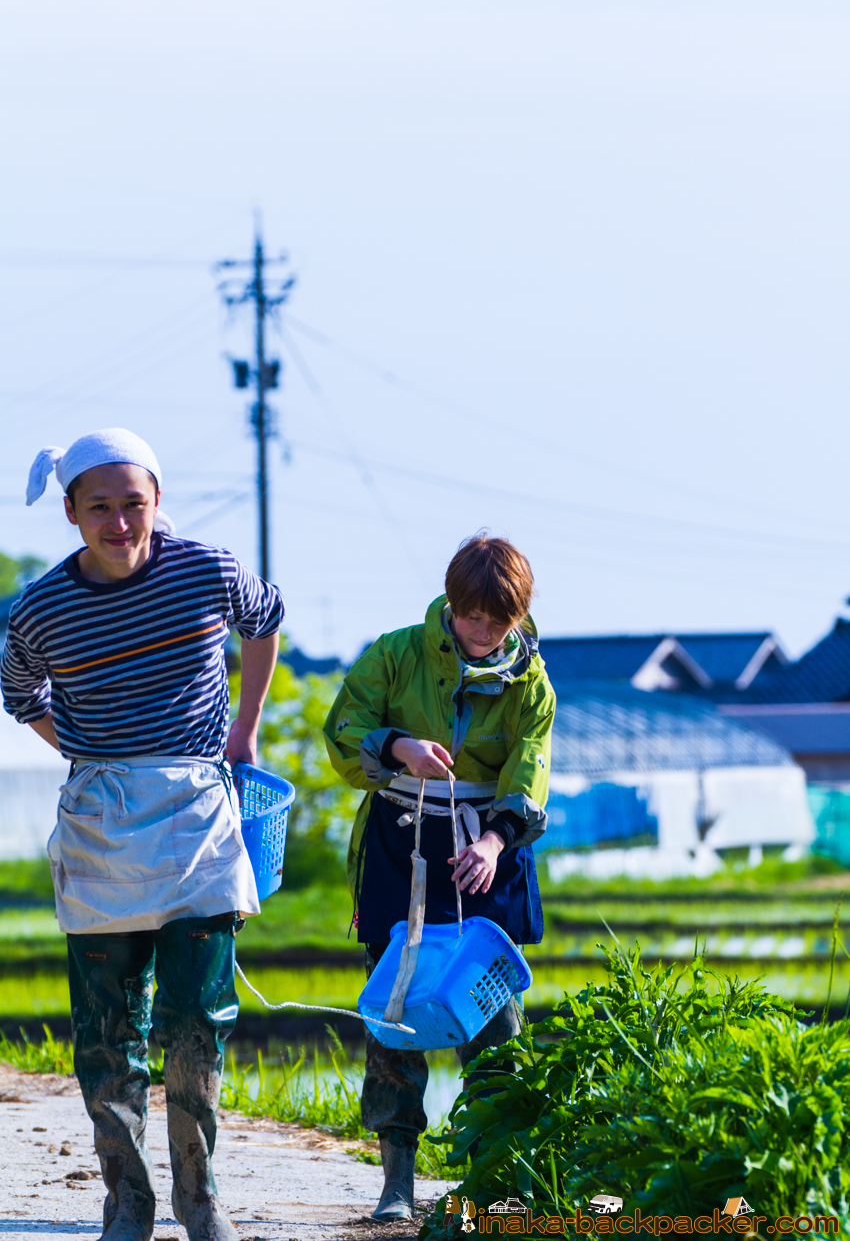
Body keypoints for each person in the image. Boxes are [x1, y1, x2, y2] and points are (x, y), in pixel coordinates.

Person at [1, 428, 283, 1241]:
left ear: (158, 502)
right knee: (105, 1029)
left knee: (200, 1015)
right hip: (101, 824)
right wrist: (88, 751)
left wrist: (245, 731)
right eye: (100, 507)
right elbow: (19, 693)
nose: (119, 522)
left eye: (134, 503)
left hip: (198, 808)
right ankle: (128, 1199)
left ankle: (201, 1194)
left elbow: (265, 619)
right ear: (70, 513)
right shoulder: (42, 608)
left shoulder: (206, 568)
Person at [323, 533, 555, 1221]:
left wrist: (493, 840)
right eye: (470, 616)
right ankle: (396, 1177)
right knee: (394, 1011)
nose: (481, 633)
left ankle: (497, 1179)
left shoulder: (532, 684)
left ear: (517, 617)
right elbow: (344, 728)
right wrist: (398, 746)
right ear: (451, 604)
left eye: (497, 621)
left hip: (488, 853)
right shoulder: (396, 651)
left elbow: (530, 770)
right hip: (404, 847)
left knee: (494, 1017)